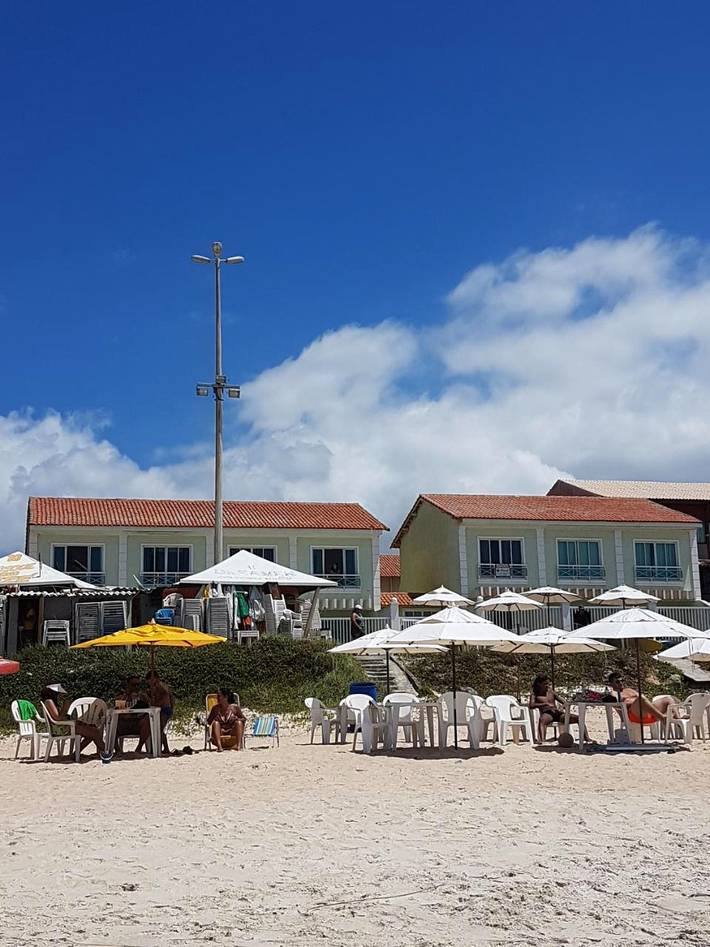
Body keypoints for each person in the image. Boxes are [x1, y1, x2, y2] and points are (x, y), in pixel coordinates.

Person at [40, 684, 110, 760]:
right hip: (62, 729)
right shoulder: (49, 701)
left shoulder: (49, 701)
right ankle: (106, 752)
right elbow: (58, 718)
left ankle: (76, 753)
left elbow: (59, 718)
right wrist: (65, 707)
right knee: (94, 732)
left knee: (92, 729)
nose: (58, 694)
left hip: (62, 726)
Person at [529, 674, 588, 743]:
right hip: (547, 713)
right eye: (545, 684)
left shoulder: (550, 691)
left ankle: (586, 738)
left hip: (557, 713)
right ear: (539, 684)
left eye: (548, 684)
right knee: (542, 720)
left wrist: (562, 707)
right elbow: (531, 705)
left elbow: (564, 702)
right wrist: (545, 704)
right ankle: (542, 740)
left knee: (579, 718)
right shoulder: (535, 694)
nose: (547, 685)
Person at [607, 672, 679, 728]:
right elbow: (615, 703)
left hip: (647, 712)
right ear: (611, 684)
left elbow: (644, 699)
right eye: (617, 682)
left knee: (668, 699)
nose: (621, 683)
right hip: (633, 715)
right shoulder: (614, 693)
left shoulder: (629, 690)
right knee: (641, 699)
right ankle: (662, 718)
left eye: (622, 680)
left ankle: (678, 719)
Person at [136, 670, 173, 755]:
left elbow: (164, 697)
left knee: (159, 728)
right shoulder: (156, 687)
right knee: (159, 728)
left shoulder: (160, 686)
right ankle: (165, 748)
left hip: (164, 709)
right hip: (163, 709)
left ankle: (157, 748)